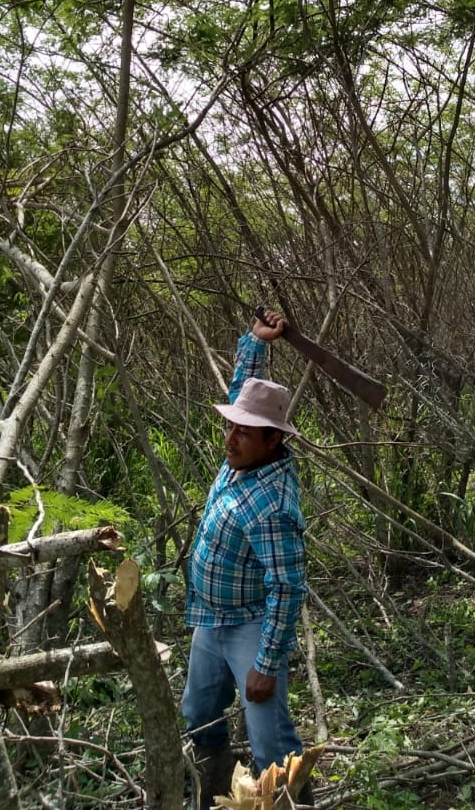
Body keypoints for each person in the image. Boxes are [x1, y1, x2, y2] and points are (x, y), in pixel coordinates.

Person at [181, 311, 313, 807]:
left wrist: (266, 663)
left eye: (245, 431)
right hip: (211, 619)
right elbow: (245, 387)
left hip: (251, 627)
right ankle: (213, 793)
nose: (231, 437)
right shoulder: (243, 456)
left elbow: (287, 587)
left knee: (271, 741)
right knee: (199, 713)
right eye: (231, 425)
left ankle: (292, 803)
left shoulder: (274, 505)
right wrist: (256, 342)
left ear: (273, 439)